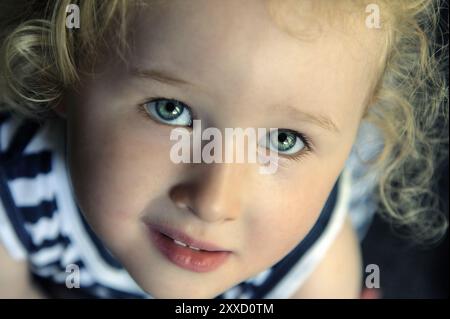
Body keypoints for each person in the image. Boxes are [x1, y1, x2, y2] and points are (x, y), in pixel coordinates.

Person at [0, 0, 447, 298]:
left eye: (282, 140)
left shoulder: (313, 265)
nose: (213, 204)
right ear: (67, 71)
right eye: (171, 110)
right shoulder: (17, 183)